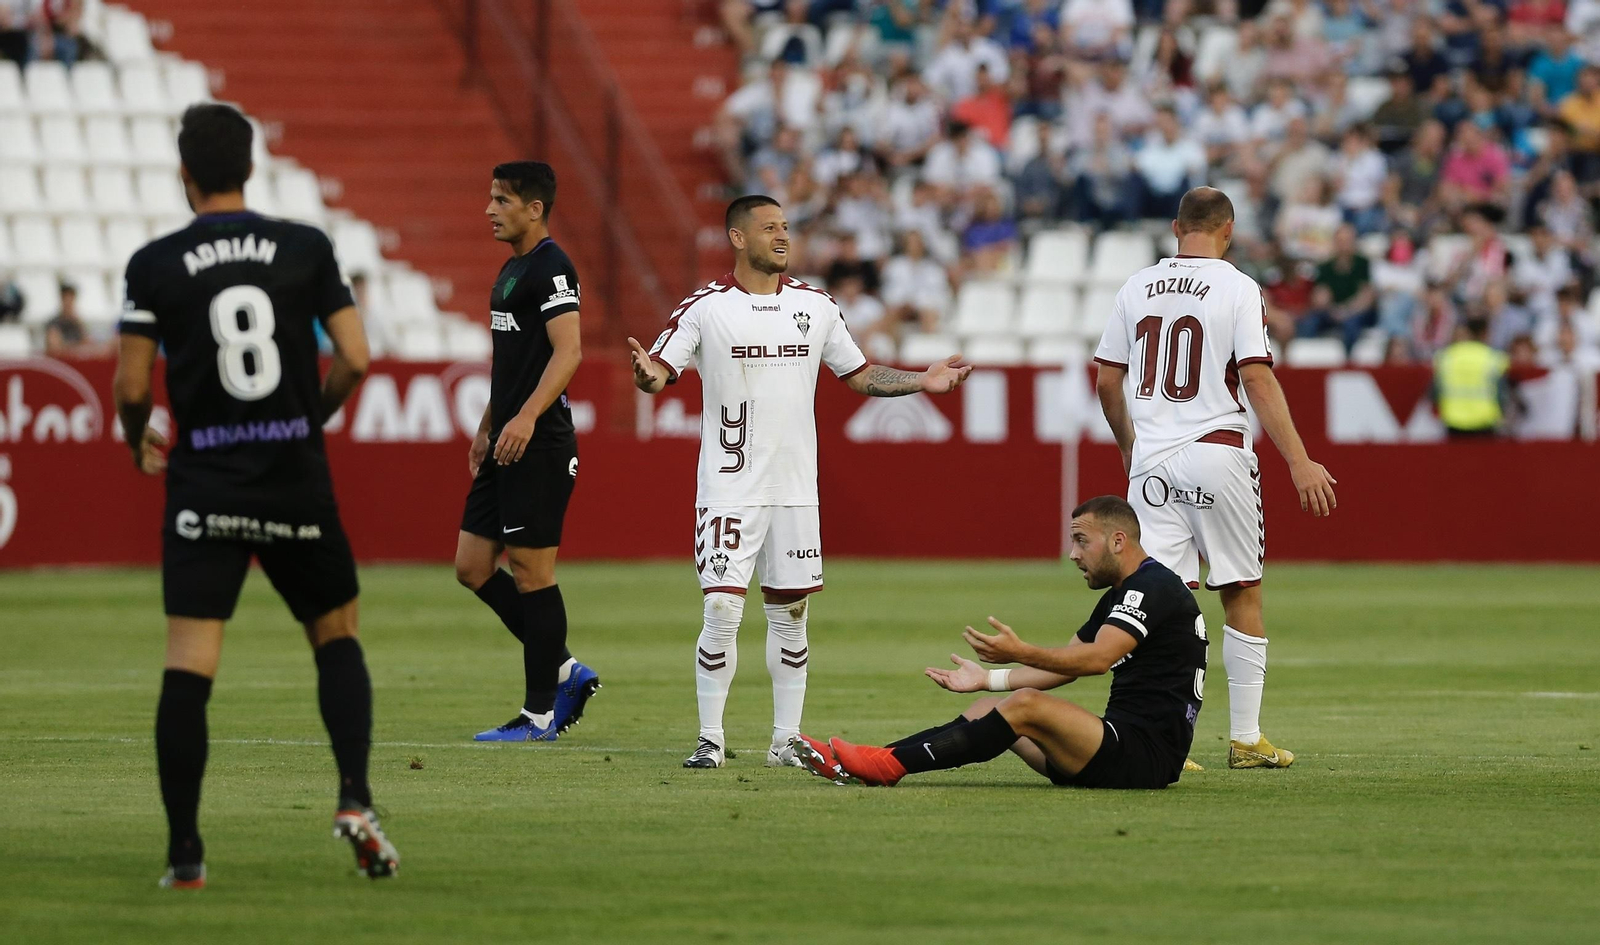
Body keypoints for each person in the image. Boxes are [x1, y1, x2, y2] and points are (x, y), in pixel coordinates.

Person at [112, 103, 394, 889]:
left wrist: (138, 432)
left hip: (205, 478)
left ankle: (185, 855)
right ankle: (354, 796)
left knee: (189, 664)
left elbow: (133, 384)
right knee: (336, 634)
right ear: (251, 165)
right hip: (294, 475)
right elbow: (357, 356)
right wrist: (309, 418)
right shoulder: (304, 246)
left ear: (185, 173)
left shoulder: (154, 263)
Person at [626, 195, 973, 770]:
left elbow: (859, 374)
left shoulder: (816, 306)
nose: (782, 236)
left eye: (786, 227)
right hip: (730, 487)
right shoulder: (707, 307)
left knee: (791, 615)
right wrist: (647, 376)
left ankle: (785, 740)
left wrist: (923, 379)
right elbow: (660, 369)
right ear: (738, 239)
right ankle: (710, 738)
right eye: (769, 228)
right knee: (722, 611)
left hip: (795, 490)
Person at [1094, 186, 1338, 769]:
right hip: (1216, 451)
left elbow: (1107, 381)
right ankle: (1246, 738)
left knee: (1159, 599)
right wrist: (1299, 460)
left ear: (1177, 227)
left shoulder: (1136, 285)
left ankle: (1164, 742)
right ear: (1228, 231)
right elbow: (1255, 378)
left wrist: (1131, 445)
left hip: (1152, 461)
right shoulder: (1237, 286)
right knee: (1242, 590)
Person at [788, 496, 1207, 790]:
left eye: (1082, 540)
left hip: (1142, 758)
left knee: (1026, 705)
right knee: (993, 707)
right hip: (1108, 750)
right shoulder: (1123, 592)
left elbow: (1095, 660)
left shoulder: (1152, 587)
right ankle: (870, 759)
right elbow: (1063, 665)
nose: (1073, 554)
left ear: (1118, 541)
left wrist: (1018, 651)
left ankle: (887, 767)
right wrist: (990, 679)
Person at [454, 162, 599, 743]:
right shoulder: (513, 268)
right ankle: (565, 668)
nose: (489, 209)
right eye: (490, 198)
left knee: (533, 574)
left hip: (538, 443)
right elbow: (511, 364)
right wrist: (490, 423)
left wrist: (524, 417)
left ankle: (540, 714)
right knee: (471, 566)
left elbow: (569, 353)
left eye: (501, 200)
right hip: (508, 438)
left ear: (534, 208)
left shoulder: (552, 267)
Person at [1432, 317, 1510, 437]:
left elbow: (1436, 391)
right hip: (1485, 421)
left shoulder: (1445, 357)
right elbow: (1501, 391)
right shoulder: (1494, 358)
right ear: (1485, 333)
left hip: (1453, 421)